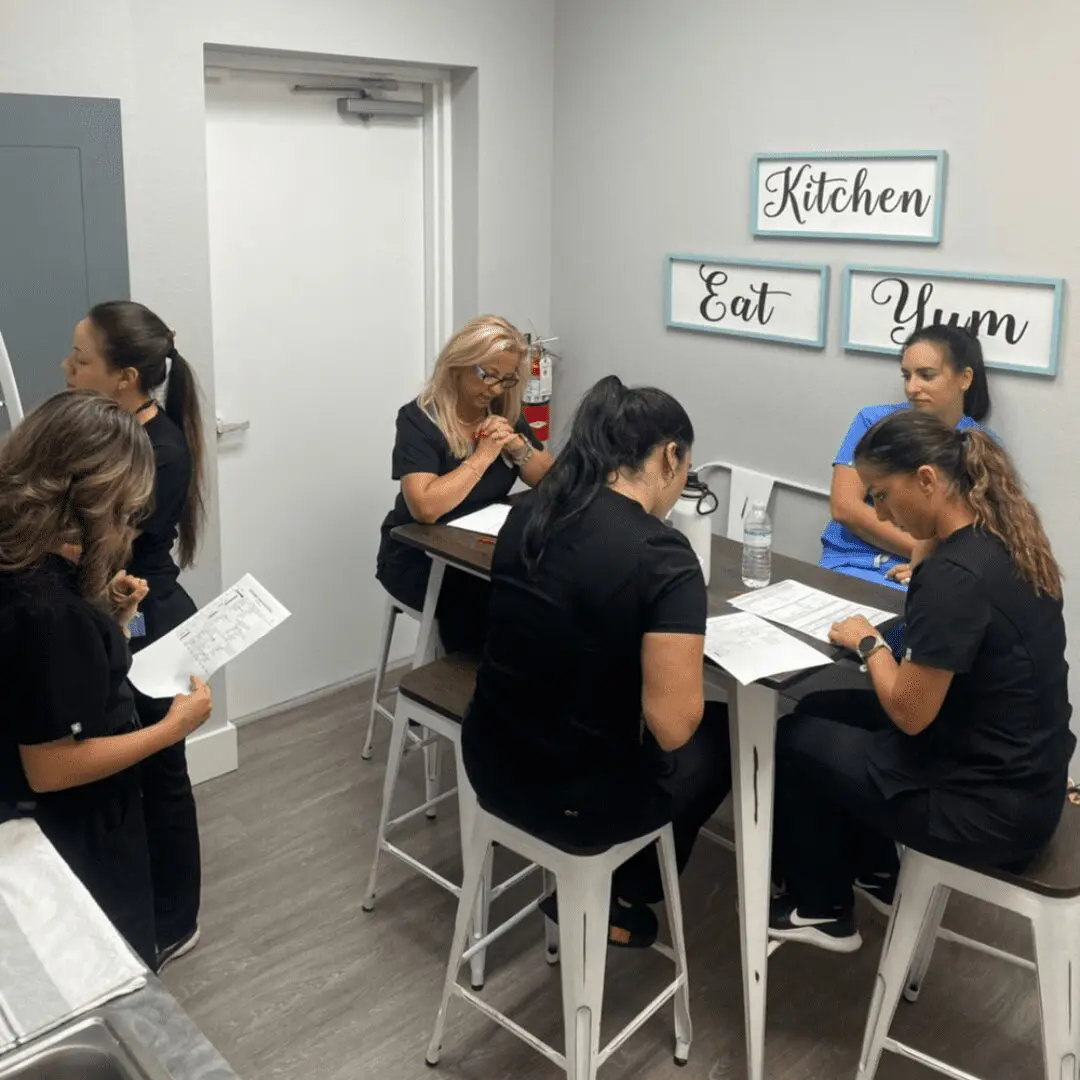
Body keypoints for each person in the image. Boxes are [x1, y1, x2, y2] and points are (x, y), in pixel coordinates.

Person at [770, 408, 1073, 953]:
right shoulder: (999, 538)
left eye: (881, 494)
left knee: (796, 740)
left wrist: (868, 642)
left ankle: (822, 908)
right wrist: (924, 541)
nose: (877, 511)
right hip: (1025, 775)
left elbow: (910, 714)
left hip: (989, 812)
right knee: (824, 708)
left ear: (928, 480)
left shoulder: (955, 579)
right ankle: (874, 870)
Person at [462, 376, 731, 948]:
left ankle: (611, 892)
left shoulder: (530, 514)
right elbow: (673, 726)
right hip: (578, 801)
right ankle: (622, 892)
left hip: (490, 759)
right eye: (685, 469)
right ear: (669, 456)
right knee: (716, 742)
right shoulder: (662, 557)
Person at [0, 392, 212, 968]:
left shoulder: (23, 564)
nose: (127, 529)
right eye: (125, 514)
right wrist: (173, 728)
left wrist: (109, 622)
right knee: (110, 961)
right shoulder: (49, 611)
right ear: (92, 501)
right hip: (77, 834)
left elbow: (48, 684)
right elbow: (51, 767)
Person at [62, 301, 207, 970]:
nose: (66, 368)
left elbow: (103, 543)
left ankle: (176, 922)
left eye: (80, 360)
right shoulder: (107, 431)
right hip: (115, 614)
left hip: (151, 622)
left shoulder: (161, 449)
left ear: (124, 377)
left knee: (161, 771)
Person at [376, 315, 553, 654]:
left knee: (546, 586)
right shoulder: (418, 420)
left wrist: (518, 447)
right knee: (489, 606)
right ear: (457, 365)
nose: (495, 388)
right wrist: (482, 456)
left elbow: (550, 480)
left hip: (480, 547)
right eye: (487, 375)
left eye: (507, 378)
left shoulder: (503, 411)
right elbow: (425, 507)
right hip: (417, 556)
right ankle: (465, 696)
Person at [821, 324, 992, 591]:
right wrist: (924, 552)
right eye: (906, 375)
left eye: (926, 375)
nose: (912, 387)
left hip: (930, 573)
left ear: (965, 379)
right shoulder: (873, 422)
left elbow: (978, 532)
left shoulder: (978, 443)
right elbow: (845, 507)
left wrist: (931, 564)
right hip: (853, 563)